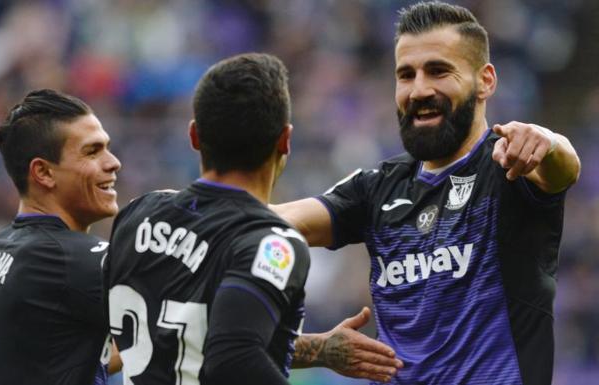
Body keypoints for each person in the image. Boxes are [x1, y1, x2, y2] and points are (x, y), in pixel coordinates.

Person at [273, 2, 581, 385]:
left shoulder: (510, 166)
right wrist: (315, 351)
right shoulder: (375, 189)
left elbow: (562, 168)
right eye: (406, 75)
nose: (419, 90)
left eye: (438, 71)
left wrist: (547, 143)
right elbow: (265, 225)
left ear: (485, 80)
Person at [103, 53, 402, 385]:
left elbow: (189, 337)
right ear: (285, 141)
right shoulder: (273, 243)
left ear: (194, 137)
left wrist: (319, 350)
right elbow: (234, 356)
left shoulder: (137, 214)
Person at [0, 89, 122, 385]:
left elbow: (52, 359)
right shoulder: (71, 257)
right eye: (92, 152)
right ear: (43, 172)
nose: (113, 162)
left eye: (107, 148)